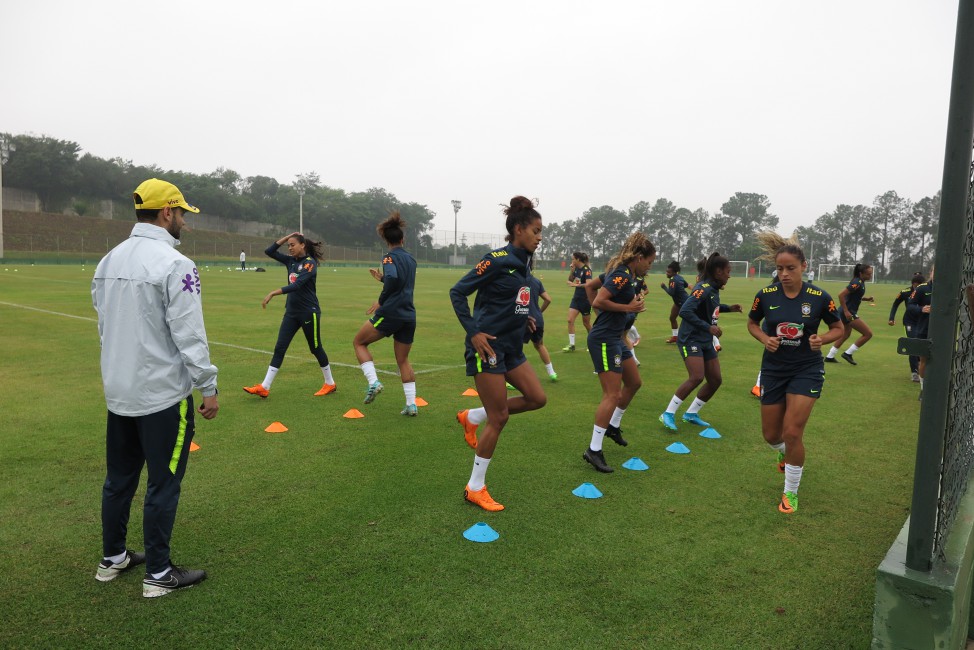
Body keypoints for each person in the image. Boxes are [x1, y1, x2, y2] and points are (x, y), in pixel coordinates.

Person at [92, 178, 218, 597]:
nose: (183, 221)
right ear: (167, 212)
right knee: (164, 482)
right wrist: (208, 384)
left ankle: (112, 559)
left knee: (119, 479)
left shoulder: (108, 260)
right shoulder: (175, 263)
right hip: (162, 395)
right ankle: (159, 575)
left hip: (120, 392)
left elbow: (104, 324)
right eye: (181, 213)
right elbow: (189, 331)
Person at [451, 196, 547, 511]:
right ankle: (474, 488)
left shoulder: (525, 264)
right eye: (535, 230)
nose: (539, 236)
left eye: (540, 231)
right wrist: (473, 332)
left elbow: (516, 299)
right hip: (487, 347)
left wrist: (526, 317)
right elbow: (458, 292)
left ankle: (472, 416)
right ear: (518, 229)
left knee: (537, 398)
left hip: (512, 347)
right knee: (500, 416)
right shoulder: (497, 259)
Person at [748, 232, 843, 514]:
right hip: (774, 370)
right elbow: (753, 323)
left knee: (792, 432)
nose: (784, 274)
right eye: (780, 269)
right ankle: (783, 453)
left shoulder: (818, 297)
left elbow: (838, 328)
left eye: (790, 268)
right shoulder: (765, 295)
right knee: (770, 434)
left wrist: (822, 339)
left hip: (807, 369)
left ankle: (791, 492)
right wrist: (764, 339)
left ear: (804, 266)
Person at [581, 233, 655, 473]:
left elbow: (590, 286)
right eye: (650, 262)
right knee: (611, 395)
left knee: (634, 382)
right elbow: (598, 299)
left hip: (616, 338)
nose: (650, 268)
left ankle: (612, 426)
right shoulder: (621, 274)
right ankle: (593, 450)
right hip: (604, 340)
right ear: (640, 257)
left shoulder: (629, 275)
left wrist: (621, 312)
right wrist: (627, 308)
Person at [243, 232, 337, 398]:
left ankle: (330, 383)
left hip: (309, 312)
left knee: (315, 348)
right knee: (280, 348)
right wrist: (287, 237)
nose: (290, 248)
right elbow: (269, 251)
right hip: (291, 313)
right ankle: (264, 387)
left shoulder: (310, 263)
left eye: (293, 245)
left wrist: (274, 292)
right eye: (288, 245)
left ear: (303, 245)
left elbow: (298, 284)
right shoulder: (290, 261)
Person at [659, 252, 742, 431]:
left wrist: (729, 308)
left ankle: (691, 414)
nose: (729, 275)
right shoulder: (703, 287)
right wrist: (709, 327)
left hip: (704, 340)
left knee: (715, 380)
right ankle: (668, 413)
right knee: (697, 376)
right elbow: (685, 311)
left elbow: (710, 307)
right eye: (728, 271)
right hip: (690, 339)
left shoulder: (713, 289)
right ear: (718, 271)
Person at [350, 211, 419, 412]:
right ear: (402, 238)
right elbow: (399, 281)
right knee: (403, 360)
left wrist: (380, 300)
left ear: (385, 239)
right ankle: (411, 404)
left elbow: (394, 280)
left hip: (391, 312)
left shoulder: (388, 258)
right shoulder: (411, 259)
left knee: (359, 342)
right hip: (409, 314)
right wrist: (382, 279)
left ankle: (373, 382)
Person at [824, 263, 874, 365]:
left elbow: (853, 296)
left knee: (846, 334)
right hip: (848, 312)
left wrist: (866, 299)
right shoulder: (857, 282)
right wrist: (847, 311)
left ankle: (830, 356)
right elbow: (841, 295)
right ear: (861, 273)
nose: (870, 276)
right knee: (868, 334)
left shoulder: (860, 282)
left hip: (846, 311)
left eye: (871, 274)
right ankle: (848, 353)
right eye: (868, 274)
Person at [524, 258, 558, 381]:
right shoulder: (536, 281)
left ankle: (510, 379)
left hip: (523, 319)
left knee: (513, 348)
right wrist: (539, 311)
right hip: (537, 319)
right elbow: (548, 299)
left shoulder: (516, 281)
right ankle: (552, 373)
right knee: (539, 345)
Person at [888, 273, 925, 382]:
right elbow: (895, 304)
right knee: (913, 344)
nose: (917, 288)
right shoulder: (905, 292)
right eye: (916, 286)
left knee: (922, 343)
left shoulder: (926, 291)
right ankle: (914, 372)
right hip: (909, 322)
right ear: (913, 284)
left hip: (923, 321)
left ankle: (920, 364)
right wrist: (891, 318)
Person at [906, 267, 934, 398]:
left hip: (944, 331)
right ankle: (923, 389)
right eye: (935, 271)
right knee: (924, 360)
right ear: (931, 273)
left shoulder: (949, 288)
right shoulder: (922, 288)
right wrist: (922, 309)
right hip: (924, 330)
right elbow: (910, 306)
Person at [563, 251, 592, 352]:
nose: (572, 260)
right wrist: (572, 270)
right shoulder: (577, 269)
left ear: (578, 259)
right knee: (570, 320)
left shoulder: (587, 270)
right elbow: (570, 279)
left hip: (585, 300)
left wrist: (575, 285)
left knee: (586, 323)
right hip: (576, 299)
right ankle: (572, 345)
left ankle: (592, 343)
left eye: (573, 259)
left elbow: (588, 284)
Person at [659, 261, 689, 344]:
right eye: (666, 271)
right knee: (672, 318)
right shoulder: (680, 277)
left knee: (688, 321)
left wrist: (664, 287)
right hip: (678, 302)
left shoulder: (672, 280)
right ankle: (675, 337)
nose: (667, 273)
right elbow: (686, 285)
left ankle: (690, 338)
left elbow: (671, 293)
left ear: (674, 272)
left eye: (669, 272)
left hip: (683, 303)